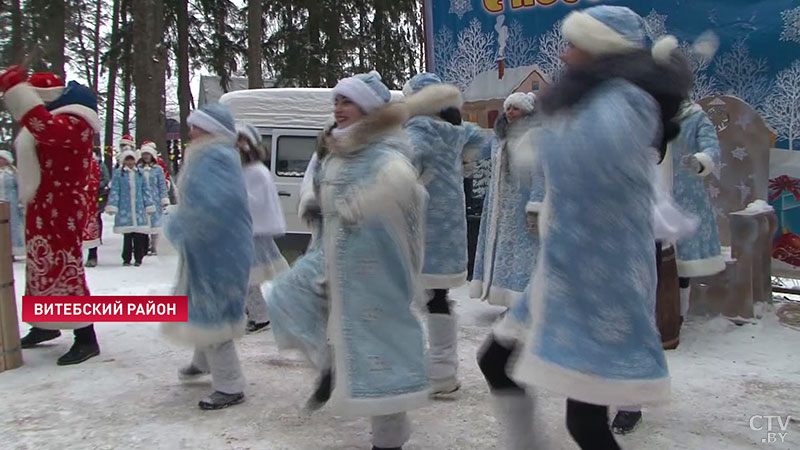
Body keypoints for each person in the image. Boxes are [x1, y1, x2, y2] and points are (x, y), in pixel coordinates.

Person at [476, 6, 692, 449]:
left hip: (599, 284)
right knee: (495, 362)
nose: (565, 53)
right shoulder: (593, 97)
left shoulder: (627, 100)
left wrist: (537, 134)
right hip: (563, 273)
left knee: (585, 424)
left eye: (575, 44)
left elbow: (590, 151)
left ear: (601, 50)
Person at [267, 71, 428, 450]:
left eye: (347, 101)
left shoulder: (386, 150)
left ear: (368, 108)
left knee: (379, 353)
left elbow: (405, 183)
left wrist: (367, 202)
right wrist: (310, 198)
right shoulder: (335, 146)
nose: (338, 109)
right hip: (330, 254)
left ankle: (389, 437)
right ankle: (330, 362)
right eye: (336, 101)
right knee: (284, 295)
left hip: (375, 267)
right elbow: (315, 173)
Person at [0, 68, 102, 365]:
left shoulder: (76, 122)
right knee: (40, 267)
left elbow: (44, 128)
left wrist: (16, 91)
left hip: (63, 206)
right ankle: (44, 324)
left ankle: (86, 337)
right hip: (43, 204)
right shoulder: (55, 119)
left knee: (66, 268)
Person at [161, 103, 254, 410]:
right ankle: (202, 362)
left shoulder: (214, 157)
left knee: (213, 315)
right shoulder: (214, 155)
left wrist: (177, 225)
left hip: (218, 250)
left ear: (212, 130)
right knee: (201, 307)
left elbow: (213, 206)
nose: (190, 132)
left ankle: (230, 385)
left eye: (196, 126)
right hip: (212, 247)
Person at [402, 72, 487, 396]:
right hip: (450, 226)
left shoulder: (419, 129)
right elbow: (481, 138)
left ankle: (433, 370)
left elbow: (403, 162)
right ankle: (442, 369)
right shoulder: (457, 130)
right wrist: (463, 162)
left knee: (411, 296)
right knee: (438, 297)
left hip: (421, 226)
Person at [470, 92, 542, 308]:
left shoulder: (535, 137)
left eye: (516, 108)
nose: (510, 112)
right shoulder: (498, 138)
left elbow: (541, 173)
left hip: (522, 205)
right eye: (508, 107)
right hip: (499, 208)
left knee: (524, 256)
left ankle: (524, 304)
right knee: (503, 255)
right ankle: (509, 302)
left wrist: (536, 205)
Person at [665, 101, 725, 321]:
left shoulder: (695, 117)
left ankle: (677, 313)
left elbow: (711, 148)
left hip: (685, 197)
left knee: (682, 261)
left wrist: (701, 161)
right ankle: (652, 313)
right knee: (651, 257)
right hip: (651, 194)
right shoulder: (646, 112)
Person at [235, 123, 288, 333]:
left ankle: (262, 315)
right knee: (248, 277)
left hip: (253, 232)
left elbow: (255, 203)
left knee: (253, 276)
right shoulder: (244, 170)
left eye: (240, 141)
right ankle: (255, 313)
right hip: (244, 231)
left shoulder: (256, 172)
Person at [106, 150, 155, 266]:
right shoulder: (119, 174)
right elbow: (115, 190)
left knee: (138, 233)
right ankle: (126, 258)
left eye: (131, 159)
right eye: (127, 160)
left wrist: (148, 205)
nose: (130, 162)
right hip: (125, 208)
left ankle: (138, 258)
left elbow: (145, 190)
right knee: (127, 235)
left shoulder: (140, 173)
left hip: (138, 208)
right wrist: (113, 205)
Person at [138, 141, 170, 255]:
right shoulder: (138, 169)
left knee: (155, 222)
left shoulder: (158, 169)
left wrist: (164, 198)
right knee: (144, 222)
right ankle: (143, 245)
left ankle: (154, 245)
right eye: (144, 154)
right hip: (142, 199)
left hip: (155, 198)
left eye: (148, 154)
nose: (146, 156)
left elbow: (162, 185)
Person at [86, 149, 110, 267]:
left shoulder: (97, 165)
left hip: (95, 197)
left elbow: (104, 178)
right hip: (80, 199)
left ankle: (92, 255)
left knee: (94, 222)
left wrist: (95, 186)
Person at [0, 150, 25, 258]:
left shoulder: (13, 172)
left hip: (12, 203)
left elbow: (20, 187)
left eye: (2, 158)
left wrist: (21, 202)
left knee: (12, 226)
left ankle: (13, 251)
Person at [82, 154, 101, 265]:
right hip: (74, 200)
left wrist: (84, 186)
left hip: (89, 201)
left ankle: (92, 255)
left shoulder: (92, 162)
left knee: (91, 227)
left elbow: (96, 180)